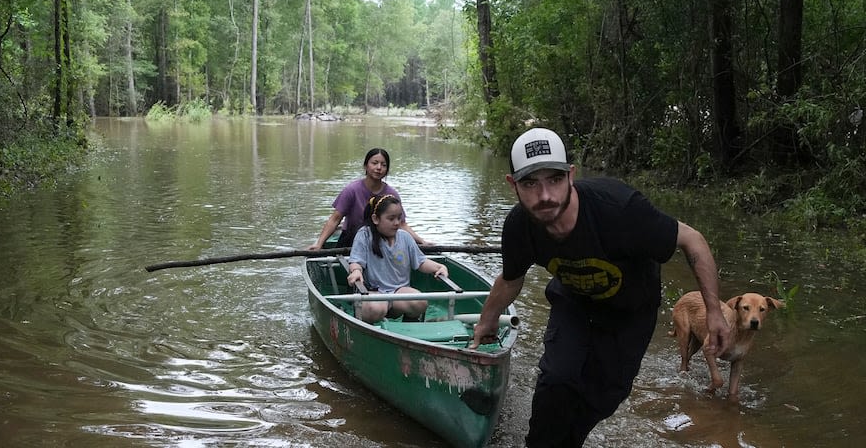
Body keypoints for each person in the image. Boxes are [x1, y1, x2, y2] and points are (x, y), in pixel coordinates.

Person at [468, 127, 730, 447]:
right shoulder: (519, 226)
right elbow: (510, 279)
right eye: (530, 183)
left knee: (602, 398)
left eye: (554, 179)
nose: (545, 195)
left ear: (571, 175)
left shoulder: (620, 210)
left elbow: (693, 241)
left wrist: (714, 312)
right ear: (513, 185)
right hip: (574, 302)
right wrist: (487, 321)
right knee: (557, 380)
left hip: (632, 311)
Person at [345, 194, 448, 323]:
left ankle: (409, 326)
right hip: (374, 292)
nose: (397, 223)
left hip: (398, 293)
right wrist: (356, 271)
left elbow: (421, 261)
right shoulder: (365, 235)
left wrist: (439, 267)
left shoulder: (405, 237)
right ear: (376, 219)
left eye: (399, 218)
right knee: (374, 309)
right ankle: (368, 328)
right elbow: (356, 261)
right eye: (391, 218)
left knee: (420, 301)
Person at [307, 147, 428, 250]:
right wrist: (319, 244)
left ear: (387, 170)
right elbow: (335, 219)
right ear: (366, 166)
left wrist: (422, 241)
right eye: (374, 163)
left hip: (382, 242)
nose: (379, 167)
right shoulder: (352, 190)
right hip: (352, 240)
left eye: (383, 165)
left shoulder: (392, 194)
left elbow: (401, 224)